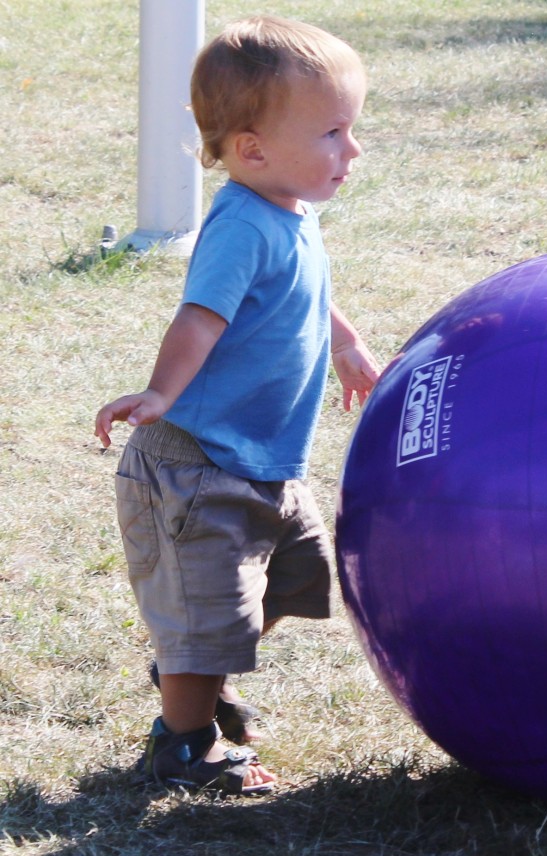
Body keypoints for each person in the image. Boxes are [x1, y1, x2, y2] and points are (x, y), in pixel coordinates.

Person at [95, 15, 380, 794]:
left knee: (295, 574)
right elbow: (199, 317)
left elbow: (305, 291)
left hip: (260, 462)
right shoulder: (241, 226)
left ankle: (190, 669)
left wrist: (347, 343)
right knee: (211, 610)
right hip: (197, 468)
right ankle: (185, 743)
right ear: (253, 150)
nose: (352, 150)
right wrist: (161, 392)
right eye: (333, 133)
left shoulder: (290, 210)